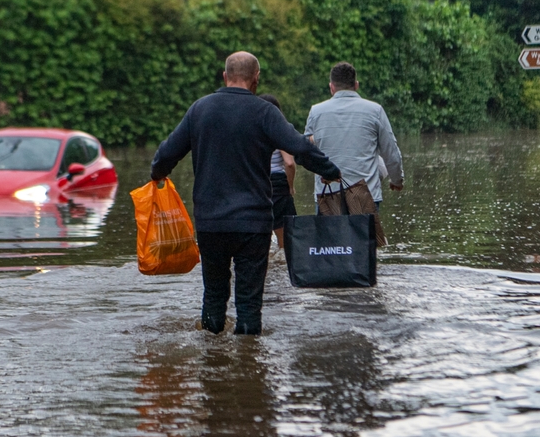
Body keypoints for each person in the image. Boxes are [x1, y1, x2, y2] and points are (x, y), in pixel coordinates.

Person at [150, 52, 341, 336]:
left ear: (225, 76)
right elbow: (299, 148)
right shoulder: (264, 112)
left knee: (213, 298)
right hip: (253, 224)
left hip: (210, 223)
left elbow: (167, 153)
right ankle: (249, 366)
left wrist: (158, 174)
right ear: (256, 80)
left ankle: (213, 365)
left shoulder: (200, 109)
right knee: (249, 305)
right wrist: (329, 170)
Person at [304, 61, 404, 209]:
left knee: (330, 233)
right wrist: (397, 180)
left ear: (331, 87)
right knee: (365, 233)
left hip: (328, 194)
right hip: (366, 194)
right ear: (356, 85)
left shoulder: (316, 112)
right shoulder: (375, 111)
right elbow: (390, 151)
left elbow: (306, 152)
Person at [258, 94, 296, 250]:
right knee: (285, 239)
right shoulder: (280, 129)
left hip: (258, 183)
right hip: (279, 184)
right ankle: (283, 267)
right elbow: (289, 163)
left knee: (261, 234)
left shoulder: (253, 130)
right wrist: (291, 186)